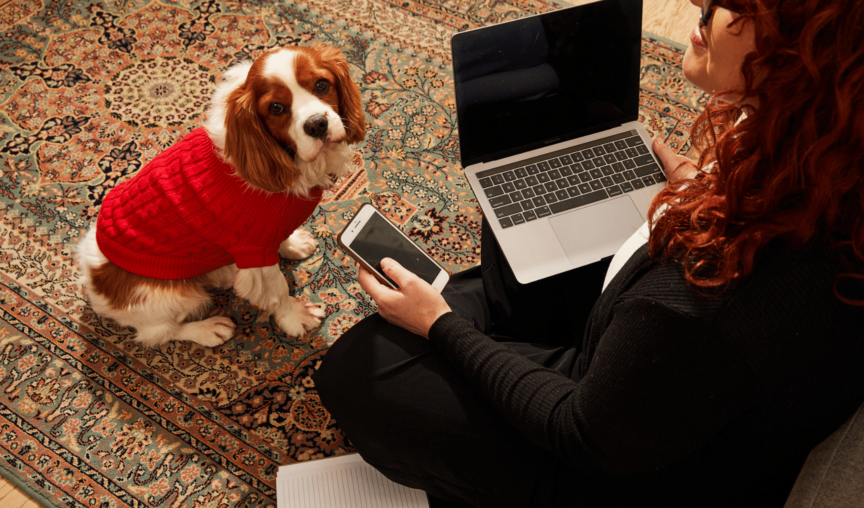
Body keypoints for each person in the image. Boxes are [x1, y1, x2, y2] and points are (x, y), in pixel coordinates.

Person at [313, 0, 864, 506]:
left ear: (802, 55)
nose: (700, 1)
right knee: (511, 252)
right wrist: (702, 190)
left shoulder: (704, 298)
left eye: (737, 4)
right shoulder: (826, 148)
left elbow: (582, 429)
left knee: (358, 369)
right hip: (684, 389)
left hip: (629, 463)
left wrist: (441, 326)